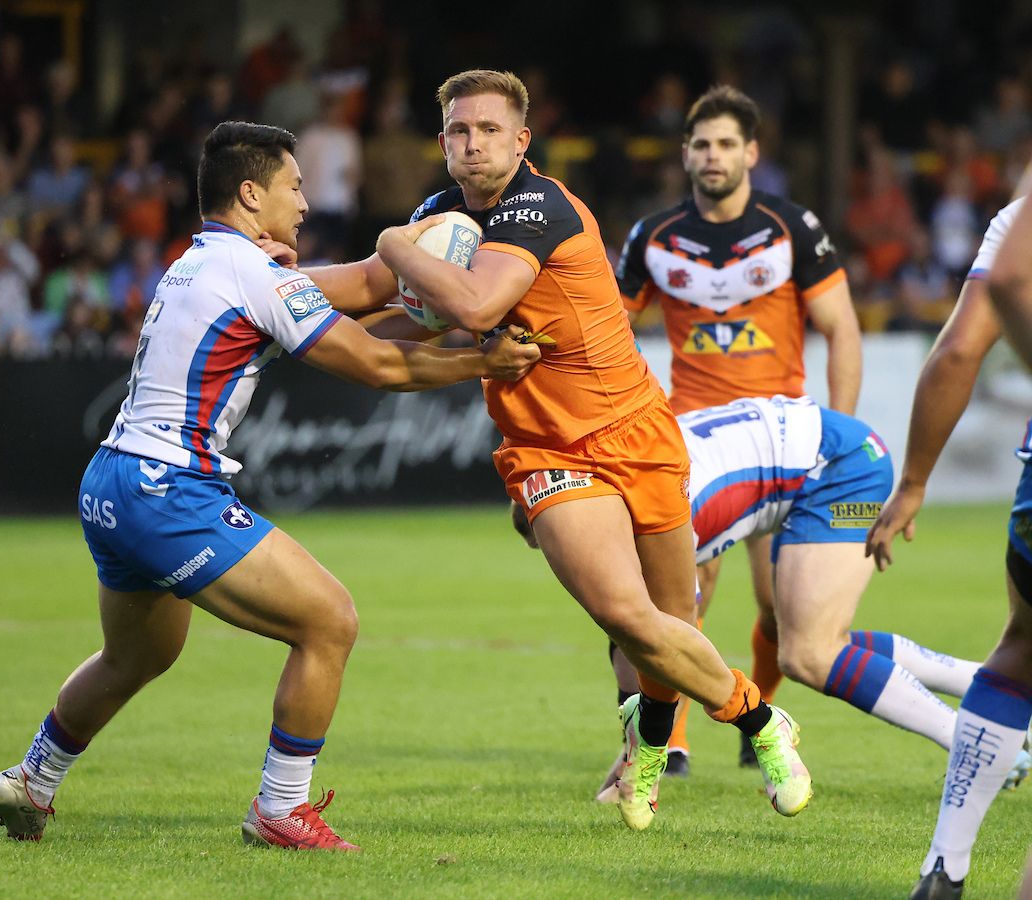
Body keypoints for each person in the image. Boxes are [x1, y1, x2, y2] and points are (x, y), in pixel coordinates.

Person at [0, 121, 541, 852]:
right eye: (294, 187)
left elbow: (371, 289)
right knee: (329, 621)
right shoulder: (254, 276)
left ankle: (32, 778)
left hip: (111, 483)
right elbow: (378, 366)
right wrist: (482, 364)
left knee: (138, 656)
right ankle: (280, 808)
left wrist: (431, 270)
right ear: (251, 194)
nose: (305, 204)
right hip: (167, 489)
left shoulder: (200, 262)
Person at [286, 69, 813, 831]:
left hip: (639, 429)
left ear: (522, 140)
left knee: (674, 626)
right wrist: (269, 286)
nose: (473, 144)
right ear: (441, 142)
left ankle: (648, 745)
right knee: (629, 619)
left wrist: (392, 242)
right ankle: (763, 723)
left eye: (489, 130)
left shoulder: (541, 205)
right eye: (460, 132)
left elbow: (469, 304)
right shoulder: (439, 215)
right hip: (546, 450)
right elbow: (374, 290)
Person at [509, 396, 1024, 803]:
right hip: (825, 452)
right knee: (817, 640)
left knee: (810, 653)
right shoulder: (629, 474)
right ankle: (994, 686)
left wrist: (639, 755)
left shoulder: (658, 519)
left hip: (842, 470)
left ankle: (978, 744)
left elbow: (663, 644)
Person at [615, 84, 862, 774]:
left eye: (726, 143)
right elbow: (606, 332)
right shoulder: (654, 238)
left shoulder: (792, 227)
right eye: (701, 144)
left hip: (784, 439)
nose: (713, 155)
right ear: (685, 155)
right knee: (683, 595)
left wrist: (839, 427)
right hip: (693, 439)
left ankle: (759, 721)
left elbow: (842, 329)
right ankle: (676, 741)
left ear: (751, 152)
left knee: (782, 612)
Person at [866, 196, 1032, 900]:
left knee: (1021, 649)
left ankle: (946, 864)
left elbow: (961, 348)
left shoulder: (1020, 215)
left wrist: (914, 480)